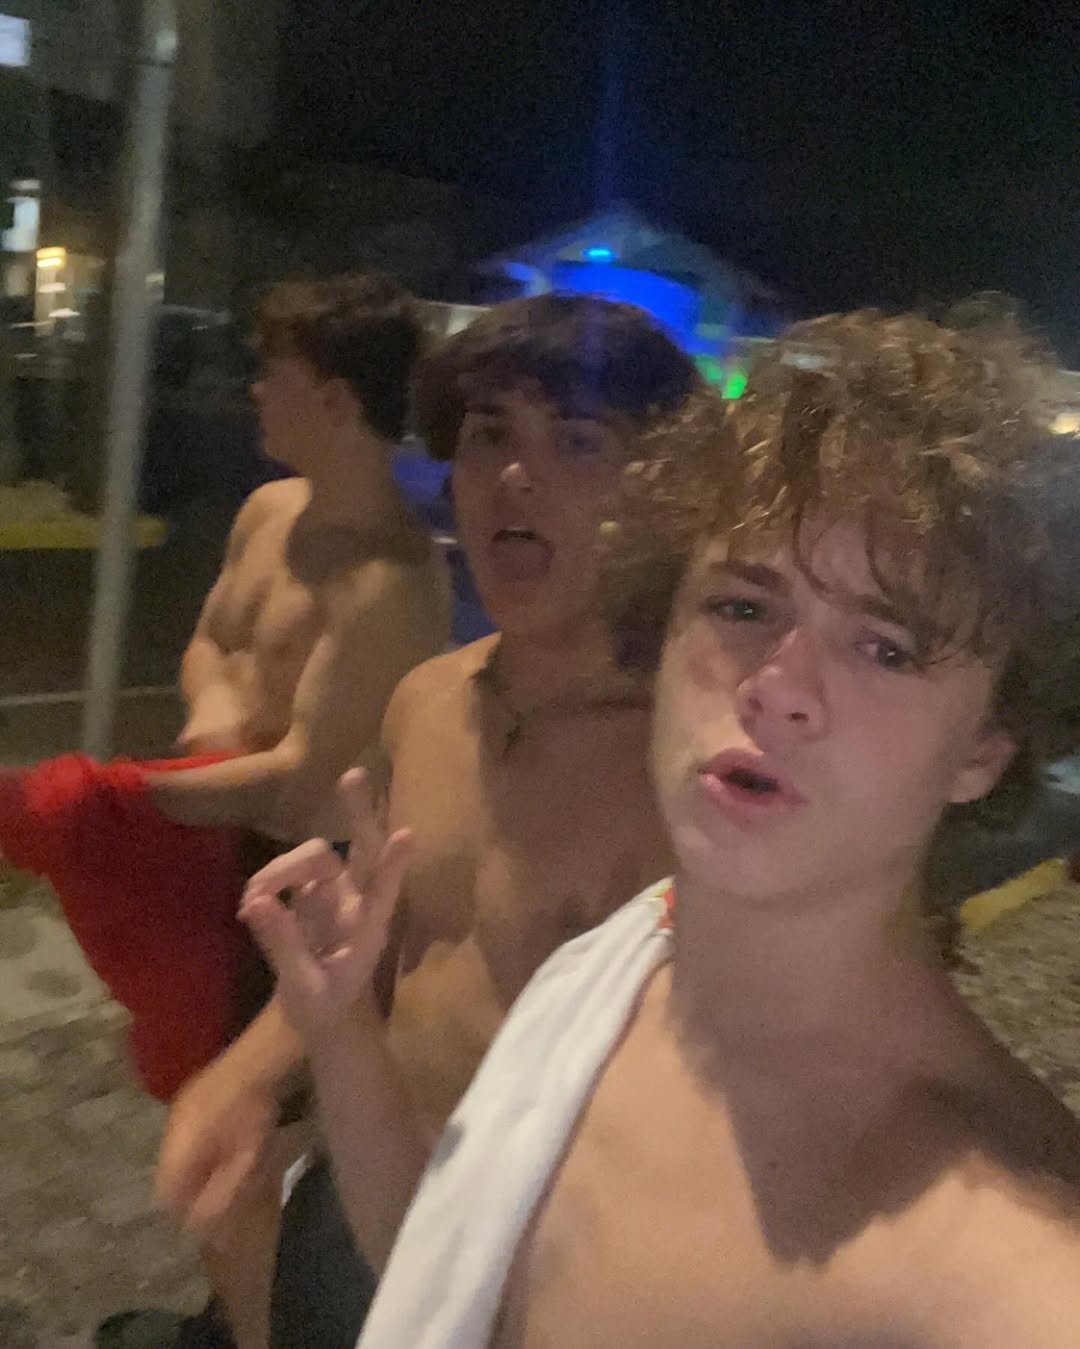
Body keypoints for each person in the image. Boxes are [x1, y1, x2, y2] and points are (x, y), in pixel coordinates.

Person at [247, 305, 1080, 1347]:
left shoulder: (1012, 1260)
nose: (780, 686)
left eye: (886, 647)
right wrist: (338, 1032)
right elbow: (449, 1291)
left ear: (983, 751)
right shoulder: (615, 974)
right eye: (743, 606)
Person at [155, 294, 701, 1348]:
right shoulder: (428, 701)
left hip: (528, 1273)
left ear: (664, 493)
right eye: (489, 434)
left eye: (577, 440)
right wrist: (244, 1080)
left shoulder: (683, 774)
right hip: (359, 1180)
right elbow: (373, 950)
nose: (514, 474)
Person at [0, 274, 449, 1349]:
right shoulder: (268, 511)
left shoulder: (388, 581)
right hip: (212, 840)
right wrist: (210, 719)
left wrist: (115, 796)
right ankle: (228, 1319)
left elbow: (296, 780)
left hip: (290, 883)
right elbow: (209, 638)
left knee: (240, 1163)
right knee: (194, 1109)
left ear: (335, 400)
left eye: (272, 374)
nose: (253, 391)